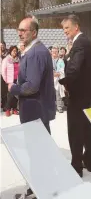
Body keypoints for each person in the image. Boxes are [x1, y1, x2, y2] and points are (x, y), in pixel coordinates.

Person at [9, 16, 56, 199]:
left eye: (24, 30)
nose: (20, 33)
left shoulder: (36, 52)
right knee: (39, 152)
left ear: (34, 32)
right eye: (18, 30)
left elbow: (31, 86)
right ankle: (38, 188)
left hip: (35, 110)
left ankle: (39, 191)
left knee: (37, 153)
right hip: (36, 110)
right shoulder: (35, 50)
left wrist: (14, 88)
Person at [59, 14, 91, 177]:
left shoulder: (80, 43)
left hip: (78, 93)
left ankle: (76, 166)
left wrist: (64, 82)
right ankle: (89, 161)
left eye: (67, 28)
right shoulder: (84, 42)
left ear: (76, 27)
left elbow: (74, 69)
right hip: (86, 93)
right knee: (86, 127)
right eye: (63, 29)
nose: (65, 31)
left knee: (75, 129)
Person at [2, 46, 20, 116]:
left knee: (16, 95)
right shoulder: (7, 59)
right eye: (13, 51)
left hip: (17, 80)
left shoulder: (18, 59)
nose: (15, 52)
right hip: (10, 80)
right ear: (10, 51)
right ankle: (8, 109)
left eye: (16, 51)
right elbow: (3, 71)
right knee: (10, 95)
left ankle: (14, 109)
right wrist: (6, 80)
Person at [52, 46, 65, 113]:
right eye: (53, 52)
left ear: (58, 53)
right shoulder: (49, 60)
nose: (54, 53)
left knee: (58, 94)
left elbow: (62, 70)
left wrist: (56, 73)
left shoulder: (61, 61)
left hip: (58, 79)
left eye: (55, 52)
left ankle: (59, 107)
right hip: (50, 80)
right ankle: (51, 107)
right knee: (51, 94)